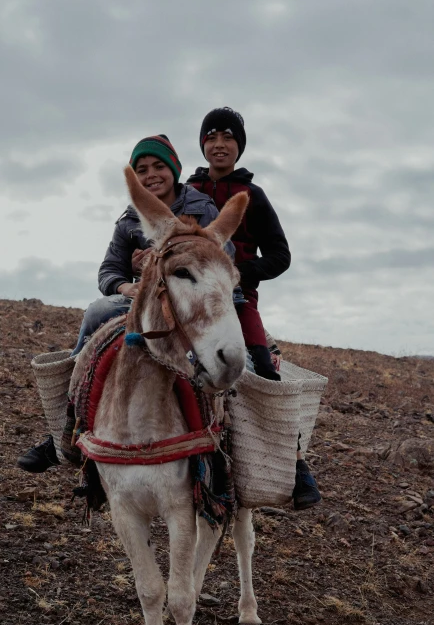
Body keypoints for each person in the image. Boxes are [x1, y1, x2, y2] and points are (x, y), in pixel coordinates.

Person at [17, 134, 236, 473]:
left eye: (159, 166)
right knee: (97, 313)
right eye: (142, 169)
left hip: (194, 304)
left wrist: (175, 263)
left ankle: (242, 450)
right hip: (145, 303)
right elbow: (108, 271)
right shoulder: (128, 221)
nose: (151, 175)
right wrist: (129, 283)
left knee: (244, 365)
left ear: (174, 170)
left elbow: (222, 257)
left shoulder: (202, 208)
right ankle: (68, 420)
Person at [187, 107, 321, 510]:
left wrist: (240, 273)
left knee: (263, 370)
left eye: (228, 139)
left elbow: (280, 255)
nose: (219, 145)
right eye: (211, 137)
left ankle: (296, 467)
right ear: (203, 145)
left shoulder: (253, 196)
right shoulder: (187, 191)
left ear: (239, 147)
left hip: (237, 299)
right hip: (188, 300)